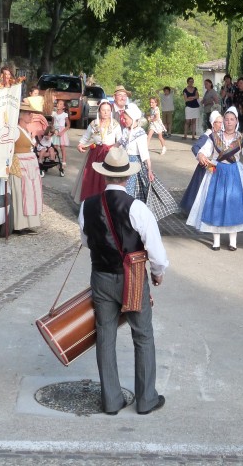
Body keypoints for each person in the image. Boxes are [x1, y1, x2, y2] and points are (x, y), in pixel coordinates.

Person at [78, 147, 169, 415]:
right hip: (132, 277)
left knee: (105, 335)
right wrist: (157, 273)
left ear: (105, 176)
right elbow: (156, 250)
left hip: (101, 277)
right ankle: (145, 399)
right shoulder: (137, 208)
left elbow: (86, 241)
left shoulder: (87, 206)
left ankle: (111, 401)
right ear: (127, 178)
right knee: (142, 335)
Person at [186, 107, 243, 250]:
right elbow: (204, 151)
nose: (229, 122)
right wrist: (201, 155)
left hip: (233, 173)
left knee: (234, 204)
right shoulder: (214, 136)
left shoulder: (241, 139)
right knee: (215, 204)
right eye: (226, 119)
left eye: (232, 119)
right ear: (223, 121)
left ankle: (233, 241)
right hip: (216, 173)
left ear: (237, 121)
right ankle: (216, 241)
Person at [120, 105, 178, 220]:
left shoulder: (140, 134)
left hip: (135, 164)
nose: (124, 120)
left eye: (125, 118)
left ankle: (132, 216)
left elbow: (145, 154)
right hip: (125, 163)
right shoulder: (126, 131)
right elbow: (120, 143)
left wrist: (149, 170)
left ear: (132, 119)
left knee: (131, 190)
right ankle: (125, 214)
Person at [73, 100, 122, 204]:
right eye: (103, 110)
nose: (106, 112)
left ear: (111, 111)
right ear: (99, 111)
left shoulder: (115, 125)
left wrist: (115, 151)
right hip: (94, 154)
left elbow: (120, 141)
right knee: (91, 178)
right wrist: (80, 145)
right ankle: (90, 202)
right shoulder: (94, 124)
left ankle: (105, 203)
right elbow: (85, 138)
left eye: (108, 110)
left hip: (109, 155)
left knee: (106, 179)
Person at [10, 98, 43, 234]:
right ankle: (19, 224)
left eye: (31, 113)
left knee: (29, 194)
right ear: (21, 115)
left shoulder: (25, 130)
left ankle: (28, 223)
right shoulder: (15, 130)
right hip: (20, 166)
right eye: (28, 113)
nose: (31, 116)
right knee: (22, 194)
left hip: (29, 166)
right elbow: (9, 149)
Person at [179, 111, 223, 214]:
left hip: (215, 164)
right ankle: (196, 209)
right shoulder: (207, 135)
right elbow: (195, 147)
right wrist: (200, 155)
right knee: (201, 188)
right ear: (213, 123)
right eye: (219, 122)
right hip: (207, 165)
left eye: (222, 122)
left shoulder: (221, 134)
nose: (221, 124)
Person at [51, 99, 70, 168]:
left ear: (64, 107)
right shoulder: (54, 113)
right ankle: (54, 159)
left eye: (61, 104)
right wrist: (53, 130)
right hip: (55, 131)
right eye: (58, 103)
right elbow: (52, 124)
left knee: (62, 147)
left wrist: (62, 132)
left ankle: (64, 161)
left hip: (61, 131)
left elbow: (68, 125)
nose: (58, 105)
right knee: (55, 146)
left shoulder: (64, 115)